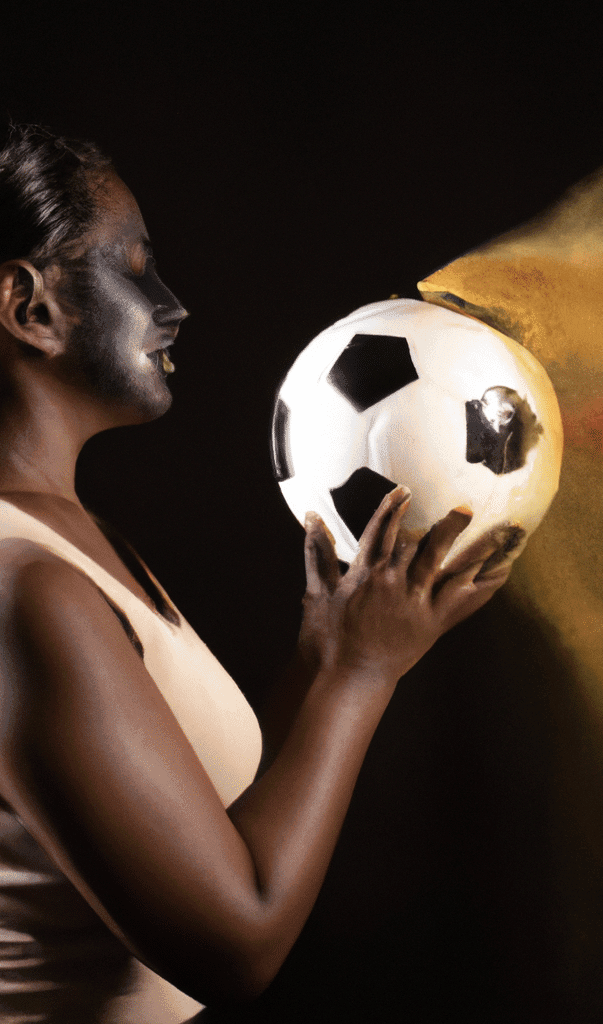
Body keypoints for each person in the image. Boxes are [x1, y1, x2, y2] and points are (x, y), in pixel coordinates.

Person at [0, 124, 516, 1023]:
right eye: (133, 267)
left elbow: (214, 829)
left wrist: (328, 651)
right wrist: (362, 673)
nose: (173, 305)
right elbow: (235, 944)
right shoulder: (24, 588)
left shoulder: (69, 539)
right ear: (29, 306)